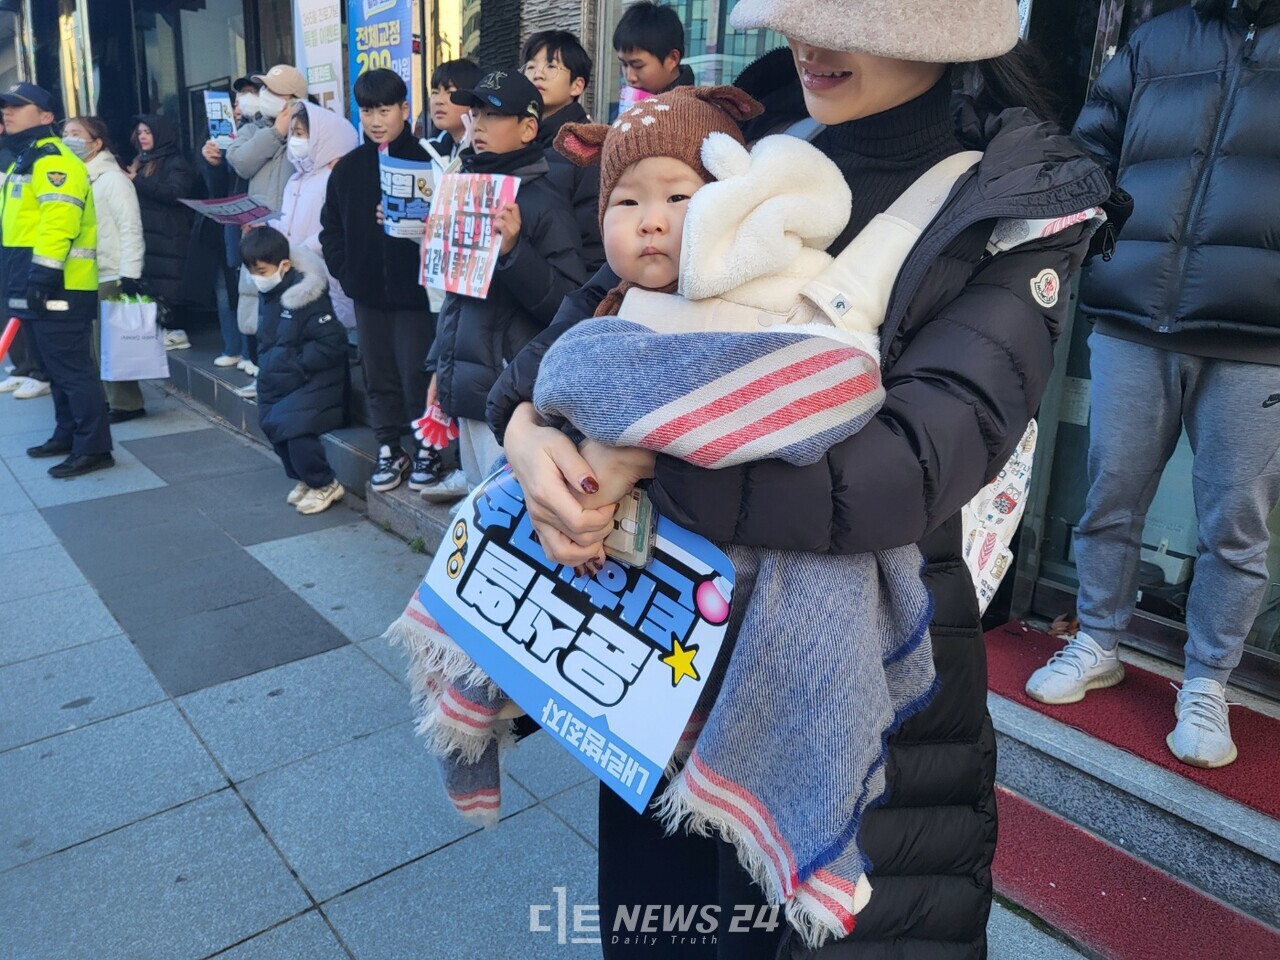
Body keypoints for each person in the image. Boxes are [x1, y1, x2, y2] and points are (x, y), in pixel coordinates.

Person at [487, 0, 1116, 955]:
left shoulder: (1014, 205)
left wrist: (638, 458)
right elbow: (572, 334)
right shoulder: (743, 142)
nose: (809, 42)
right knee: (660, 931)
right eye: (796, 12)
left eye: (846, 16)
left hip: (857, 678)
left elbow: (897, 472)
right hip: (665, 659)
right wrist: (530, 433)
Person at [1025, 0, 1280, 770]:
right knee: (1111, 494)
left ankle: (1208, 683)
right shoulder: (1156, 40)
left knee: (1235, 521)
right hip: (1134, 311)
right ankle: (1098, 639)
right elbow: (1090, 153)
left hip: (1259, 334)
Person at [420, 70, 586, 503]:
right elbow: (457, 298)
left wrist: (514, 252)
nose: (477, 126)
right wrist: (440, 367)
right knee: (480, 500)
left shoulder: (545, 201)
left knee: (513, 509)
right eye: (473, 114)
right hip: (468, 382)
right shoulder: (465, 189)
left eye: (492, 115)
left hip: (511, 393)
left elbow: (567, 307)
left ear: (528, 127)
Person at [320, 69, 436, 494]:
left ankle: (428, 445)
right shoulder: (348, 169)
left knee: (419, 373)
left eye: (384, 109)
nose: (375, 120)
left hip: (417, 294)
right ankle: (389, 446)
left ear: (404, 109)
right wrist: (349, 275)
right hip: (368, 293)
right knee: (378, 373)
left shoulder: (429, 160)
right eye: (367, 110)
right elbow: (329, 229)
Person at [0, 83, 113, 478]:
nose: (7, 112)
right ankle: (67, 434)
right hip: (33, 282)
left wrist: (42, 276)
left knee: (72, 369)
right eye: (5, 107)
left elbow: (58, 221)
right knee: (52, 366)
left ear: (47, 117)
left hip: (58, 285)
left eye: (17, 106)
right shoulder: (25, 159)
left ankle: (94, 447)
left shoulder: (52, 159)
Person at [241, 226, 347, 514]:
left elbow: (333, 343)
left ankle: (324, 483)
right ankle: (305, 478)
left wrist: (294, 364)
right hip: (280, 378)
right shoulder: (272, 293)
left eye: (262, 271)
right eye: (253, 272)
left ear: (284, 265)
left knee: (295, 430)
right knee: (273, 424)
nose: (257, 279)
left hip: (311, 380)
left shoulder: (305, 295)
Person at [226, 65, 309, 390]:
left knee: (295, 312)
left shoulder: (310, 129)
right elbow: (242, 162)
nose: (264, 97)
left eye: (273, 92)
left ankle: (293, 383)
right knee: (263, 316)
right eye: (264, 91)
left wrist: (293, 129)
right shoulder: (253, 129)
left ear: (294, 98)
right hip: (259, 236)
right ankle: (266, 379)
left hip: (297, 236)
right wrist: (275, 132)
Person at [62, 116, 147, 423]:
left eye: (76, 133)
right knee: (94, 345)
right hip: (83, 272)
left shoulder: (112, 179)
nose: (68, 138)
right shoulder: (75, 177)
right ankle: (108, 400)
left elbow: (130, 227)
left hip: (111, 271)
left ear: (96, 143)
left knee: (112, 344)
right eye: (65, 133)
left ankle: (127, 404)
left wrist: (130, 273)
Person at [523, 29, 604, 271]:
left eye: (551, 66)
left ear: (577, 85)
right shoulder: (517, 139)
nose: (538, 74)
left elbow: (593, 240)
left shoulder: (586, 145)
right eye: (530, 66)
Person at [273, 101, 358, 325]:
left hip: (325, 276)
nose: (294, 140)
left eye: (300, 134)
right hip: (296, 274)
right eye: (292, 134)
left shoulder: (333, 178)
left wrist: (298, 252)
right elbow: (286, 223)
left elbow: (331, 229)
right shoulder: (294, 179)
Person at [200, 76, 260, 370]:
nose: (242, 102)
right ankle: (238, 349)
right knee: (235, 284)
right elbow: (217, 188)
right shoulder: (225, 134)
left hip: (261, 218)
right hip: (233, 220)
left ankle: (253, 355)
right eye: (239, 98)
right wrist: (212, 163)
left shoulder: (273, 130)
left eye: (250, 94)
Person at [128, 114, 196, 350]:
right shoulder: (141, 160)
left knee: (170, 285)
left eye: (148, 132)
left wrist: (137, 180)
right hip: (151, 234)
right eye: (140, 132)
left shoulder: (175, 161)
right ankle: (166, 328)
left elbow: (174, 193)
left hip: (170, 235)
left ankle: (177, 330)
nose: (143, 137)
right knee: (156, 283)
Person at [0, 127, 51, 400]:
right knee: (10, 307)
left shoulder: (12, 157)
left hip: (24, 245)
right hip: (9, 242)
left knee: (24, 309)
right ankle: (22, 367)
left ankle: (37, 371)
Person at [613, 1, 695, 96]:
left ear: (672, 59)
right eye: (624, 65)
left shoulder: (692, 108)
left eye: (638, 66)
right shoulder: (633, 103)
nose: (630, 77)